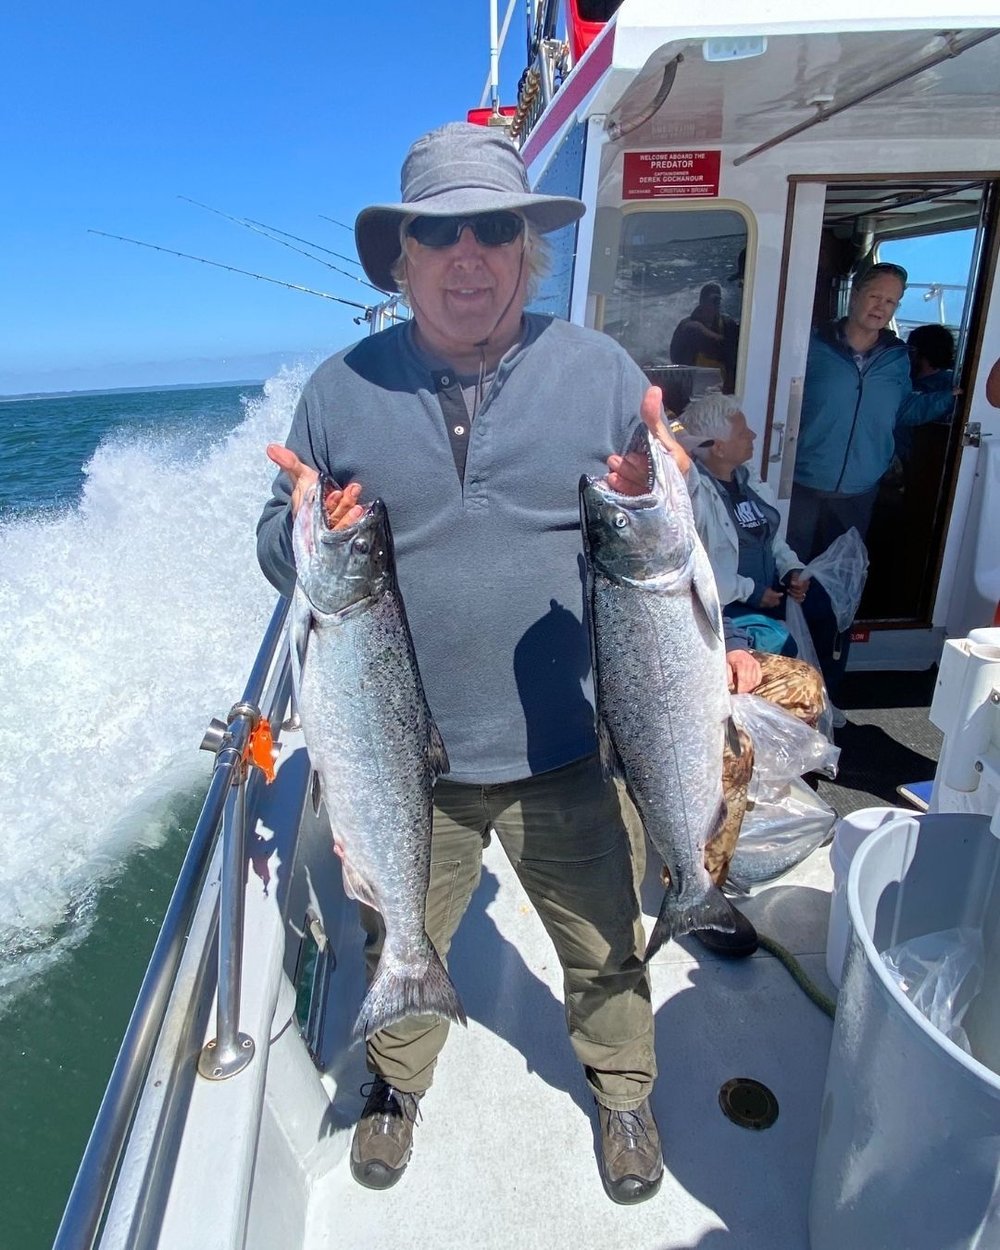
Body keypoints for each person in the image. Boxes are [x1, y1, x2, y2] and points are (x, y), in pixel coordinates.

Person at [258, 121, 709, 1206]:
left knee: (604, 939)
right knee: (397, 931)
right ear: (402, 258)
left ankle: (622, 1089)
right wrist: (298, 524)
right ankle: (396, 1083)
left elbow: (691, 547)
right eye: (440, 232)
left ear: (527, 249)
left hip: (568, 742)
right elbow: (280, 554)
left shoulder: (599, 371)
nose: (469, 253)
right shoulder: (339, 388)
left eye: (494, 228)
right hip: (409, 761)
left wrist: (685, 511)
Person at [786, 262, 957, 700]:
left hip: (858, 493)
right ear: (854, 293)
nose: (881, 307)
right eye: (875, 296)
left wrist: (955, 398)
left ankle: (825, 690)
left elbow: (902, 414)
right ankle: (782, 682)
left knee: (838, 594)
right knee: (790, 586)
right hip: (801, 486)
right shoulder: (810, 346)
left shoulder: (897, 359)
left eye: (892, 302)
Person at [679, 392, 810, 657]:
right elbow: (698, 567)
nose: (753, 435)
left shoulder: (748, 479)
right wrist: (751, 592)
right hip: (727, 607)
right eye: (742, 433)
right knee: (782, 645)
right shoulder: (696, 496)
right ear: (719, 447)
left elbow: (771, 538)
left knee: (823, 607)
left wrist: (791, 569)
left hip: (767, 597)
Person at [669, 282, 739, 392]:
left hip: (722, 394)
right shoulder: (687, 327)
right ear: (701, 302)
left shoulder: (728, 325)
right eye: (711, 301)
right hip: (693, 392)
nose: (714, 306)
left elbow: (734, 359)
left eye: (717, 302)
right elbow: (676, 359)